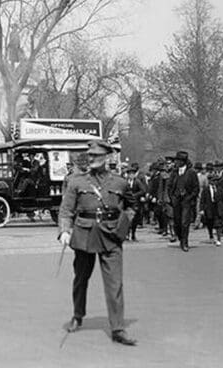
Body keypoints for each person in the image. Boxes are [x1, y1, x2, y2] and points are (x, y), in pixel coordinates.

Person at [58, 139, 137, 346]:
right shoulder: (77, 181)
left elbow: (131, 205)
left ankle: (118, 328)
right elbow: (66, 210)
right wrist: (65, 231)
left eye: (96, 156)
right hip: (84, 235)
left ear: (107, 157)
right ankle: (77, 315)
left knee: (115, 283)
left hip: (111, 236)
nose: (91, 159)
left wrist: (124, 224)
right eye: (90, 155)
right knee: (81, 278)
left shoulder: (119, 182)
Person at [168, 151, 199, 252]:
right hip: (176, 200)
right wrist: (172, 197)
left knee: (185, 222)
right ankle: (181, 238)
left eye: (178, 160)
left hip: (186, 200)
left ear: (183, 161)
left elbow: (196, 188)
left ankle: (184, 242)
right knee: (177, 222)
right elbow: (169, 186)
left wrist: (189, 197)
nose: (176, 162)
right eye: (176, 160)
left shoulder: (191, 172)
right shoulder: (174, 172)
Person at [200, 171, 223, 246]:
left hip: (218, 208)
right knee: (210, 222)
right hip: (209, 207)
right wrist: (202, 209)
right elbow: (202, 200)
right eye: (213, 180)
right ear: (209, 181)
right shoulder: (206, 190)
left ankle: (218, 239)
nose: (215, 182)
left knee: (218, 223)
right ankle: (211, 235)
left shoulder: (220, 189)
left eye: (216, 181)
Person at [126, 163, 147, 241]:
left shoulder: (137, 182)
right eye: (129, 174)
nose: (131, 175)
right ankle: (127, 234)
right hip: (127, 202)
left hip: (135, 203)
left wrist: (135, 195)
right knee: (127, 219)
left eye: (132, 174)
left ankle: (133, 234)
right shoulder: (125, 182)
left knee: (134, 219)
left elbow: (143, 190)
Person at [193, 162, 209, 230]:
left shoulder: (203, 177)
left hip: (200, 195)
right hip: (192, 195)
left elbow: (206, 187)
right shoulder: (192, 176)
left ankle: (197, 223)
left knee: (198, 209)